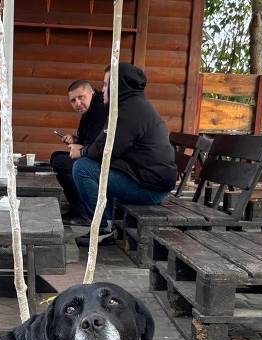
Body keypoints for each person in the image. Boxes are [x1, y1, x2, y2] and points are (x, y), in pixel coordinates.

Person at [69, 63, 177, 246]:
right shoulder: (129, 106)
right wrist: (87, 150)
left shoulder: (129, 112)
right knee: (94, 166)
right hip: (146, 180)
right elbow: (103, 145)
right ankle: (108, 224)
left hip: (150, 189)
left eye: (105, 85)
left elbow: (104, 151)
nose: (102, 90)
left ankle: (103, 228)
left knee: (83, 168)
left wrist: (81, 151)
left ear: (119, 85)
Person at [50, 80, 107, 226]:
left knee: (60, 161)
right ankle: (79, 210)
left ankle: (82, 213)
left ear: (92, 93)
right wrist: (74, 140)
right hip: (92, 157)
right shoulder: (90, 111)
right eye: (73, 100)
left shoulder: (100, 110)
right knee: (58, 158)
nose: (77, 103)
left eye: (81, 97)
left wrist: (79, 147)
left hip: (105, 164)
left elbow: (98, 148)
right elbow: (89, 140)